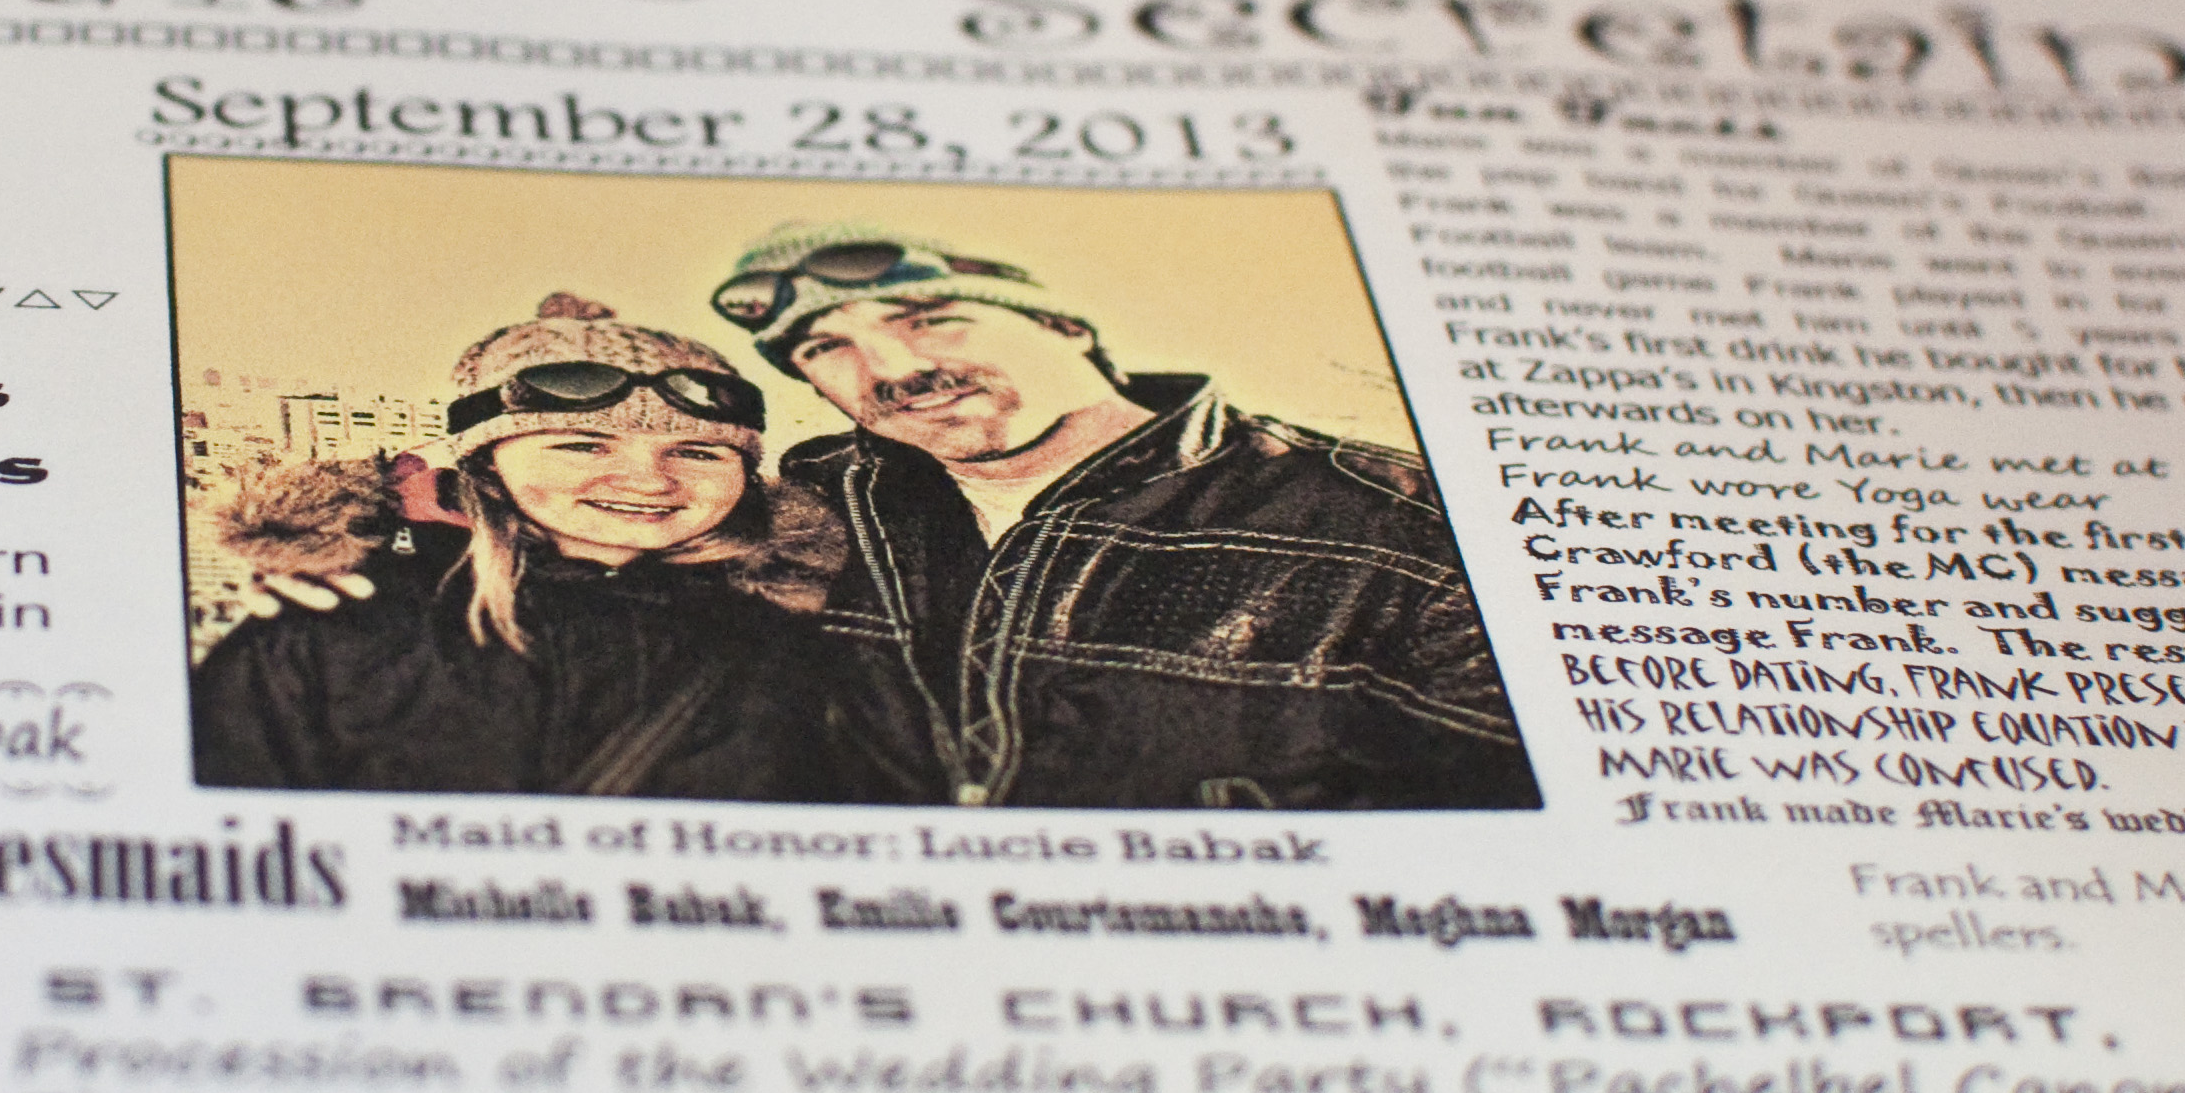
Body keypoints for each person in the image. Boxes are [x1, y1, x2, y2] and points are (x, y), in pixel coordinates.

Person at [710, 222, 1534, 812]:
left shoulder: (1393, 523)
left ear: (1065, 328)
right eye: (825, 348)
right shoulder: (812, 505)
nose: (894, 367)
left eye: (929, 318)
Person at [189, 295, 861, 798]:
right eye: (582, 445)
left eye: (697, 451)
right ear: (487, 460)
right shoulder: (342, 625)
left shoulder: (799, 634)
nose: (648, 480)